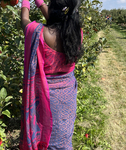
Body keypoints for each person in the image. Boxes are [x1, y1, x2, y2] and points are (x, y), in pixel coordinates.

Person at [20, 0, 84, 149]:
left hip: (46, 97)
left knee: (46, 137)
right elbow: (58, 18)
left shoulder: (38, 32)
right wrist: (40, 3)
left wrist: (26, 2)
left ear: (52, 9)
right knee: (63, 134)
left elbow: (24, 20)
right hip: (68, 95)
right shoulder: (76, 32)